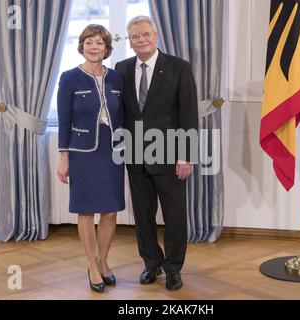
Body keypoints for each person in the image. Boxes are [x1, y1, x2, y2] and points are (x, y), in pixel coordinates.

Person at [115, 16, 198, 291]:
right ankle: (151, 263)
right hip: (136, 156)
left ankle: (174, 269)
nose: (141, 40)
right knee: (143, 216)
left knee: (174, 216)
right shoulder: (122, 68)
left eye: (145, 34)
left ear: (156, 36)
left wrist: (186, 156)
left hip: (170, 156)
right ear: (130, 41)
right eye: (135, 36)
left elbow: (188, 114)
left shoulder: (178, 68)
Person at [56, 24, 125, 293]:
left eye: (99, 42)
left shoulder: (117, 78)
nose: (94, 47)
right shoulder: (70, 77)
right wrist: (64, 157)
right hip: (82, 152)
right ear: (82, 46)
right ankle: (92, 267)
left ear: (107, 48)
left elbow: (124, 116)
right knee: (85, 211)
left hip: (112, 150)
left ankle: (103, 261)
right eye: (89, 42)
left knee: (110, 210)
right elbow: (64, 121)